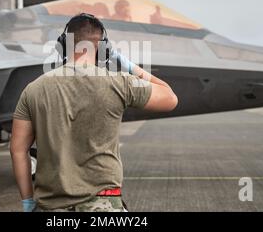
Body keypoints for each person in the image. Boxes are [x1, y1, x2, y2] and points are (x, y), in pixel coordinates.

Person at [10, 13, 178, 212]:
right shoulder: (119, 82)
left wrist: (28, 202)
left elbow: (18, 150)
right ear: (104, 49)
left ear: (63, 44)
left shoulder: (34, 89)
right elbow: (170, 98)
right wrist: (129, 65)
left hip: (50, 206)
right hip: (104, 206)